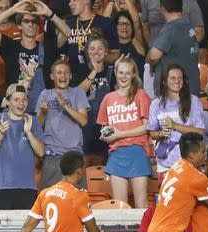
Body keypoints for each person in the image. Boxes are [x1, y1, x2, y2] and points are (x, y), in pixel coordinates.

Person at [96, 56, 152, 208]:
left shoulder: (141, 95)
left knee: (141, 203)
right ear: (115, 72)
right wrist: (104, 134)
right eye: (121, 72)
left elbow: (147, 126)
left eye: (128, 73)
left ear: (133, 74)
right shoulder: (108, 98)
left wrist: (120, 134)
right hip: (116, 153)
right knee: (119, 205)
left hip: (137, 152)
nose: (124, 76)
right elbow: (105, 127)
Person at [0, 0, 71, 113]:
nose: (31, 24)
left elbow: (67, 32)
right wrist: (13, 10)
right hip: (14, 111)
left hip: (41, 112)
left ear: (38, 26)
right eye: (26, 21)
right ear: (19, 25)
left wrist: (49, 13)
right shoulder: (11, 46)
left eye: (35, 22)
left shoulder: (47, 48)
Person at [36, 59, 89, 189]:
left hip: (74, 156)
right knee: (49, 200)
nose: (63, 76)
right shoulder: (45, 94)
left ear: (70, 76)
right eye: (59, 72)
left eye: (66, 72)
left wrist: (65, 106)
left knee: (76, 202)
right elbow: (37, 125)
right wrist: (43, 112)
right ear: (52, 76)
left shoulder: (78, 93)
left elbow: (83, 120)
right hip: (52, 156)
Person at [147, 63, 204, 174]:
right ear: (164, 81)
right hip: (165, 161)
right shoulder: (156, 104)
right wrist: (161, 134)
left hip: (189, 160)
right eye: (172, 78)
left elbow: (200, 132)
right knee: (168, 191)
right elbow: (152, 133)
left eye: (180, 78)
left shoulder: (193, 101)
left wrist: (175, 126)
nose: (177, 81)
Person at [0, 83, 45, 209]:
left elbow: (41, 152)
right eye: (16, 99)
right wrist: (0, 135)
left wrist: (29, 133)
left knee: (26, 228)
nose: (21, 103)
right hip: (2, 187)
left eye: (24, 99)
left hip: (28, 187)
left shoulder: (33, 121)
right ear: (7, 102)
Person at [60, 0, 120, 86]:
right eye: (69, 1)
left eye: (74, 0)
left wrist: (98, 58)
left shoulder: (106, 23)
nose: (70, 3)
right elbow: (63, 56)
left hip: (99, 80)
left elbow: (116, 55)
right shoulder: (68, 25)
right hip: (74, 83)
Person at [148, 0, 200, 97]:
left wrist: (151, 67)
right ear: (182, 8)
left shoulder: (170, 28)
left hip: (175, 95)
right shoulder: (189, 27)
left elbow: (153, 56)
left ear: (163, 8)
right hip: (191, 89)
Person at [79, 29, 114, 167]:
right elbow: (78, 94)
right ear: (87, 52)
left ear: (106, 52)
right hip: (86, 127)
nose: (96, 51)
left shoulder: (113, 70)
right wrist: (94, 71)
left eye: (100, 48)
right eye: (92, 49)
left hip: (107, 126)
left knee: (105, 165)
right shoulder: (80, 70)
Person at [104, 0, 147, 79]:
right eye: (120, 24)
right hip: (116, 90)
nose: (124, 27)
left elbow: (136, 20)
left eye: (127, 24)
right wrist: (111, 2)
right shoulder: (110, 45)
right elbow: (104, 23)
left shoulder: (137, 42)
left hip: (136, 89)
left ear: (132, 27)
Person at [0, 0, 21, 107]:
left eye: (7, 8)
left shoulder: (20, 29)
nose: (4, 12)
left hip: (13, 88)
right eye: (0, 8)